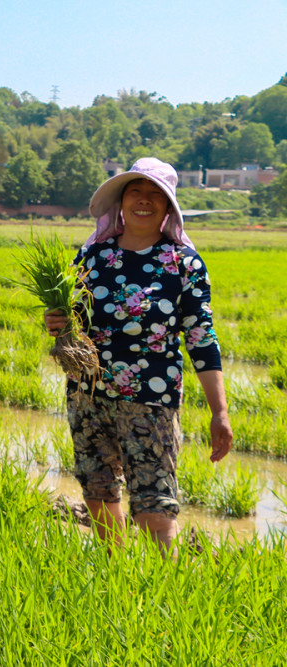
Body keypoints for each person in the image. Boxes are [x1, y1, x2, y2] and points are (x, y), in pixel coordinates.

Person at [44, 157, 233, 553]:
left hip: (151, 402)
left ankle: (164, 591)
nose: (144, 200)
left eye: (155, 194)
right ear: (121, 201)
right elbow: (72, 319)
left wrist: (220, 411)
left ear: (168, 208)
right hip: (88, 395)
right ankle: (117, 573)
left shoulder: (183, 264)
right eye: (136, 191)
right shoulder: (93, 256)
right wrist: (58, 323)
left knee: (155, 504)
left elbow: (201, 338)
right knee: (97, 490)